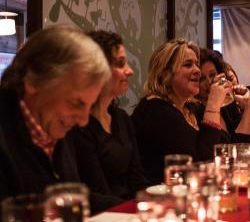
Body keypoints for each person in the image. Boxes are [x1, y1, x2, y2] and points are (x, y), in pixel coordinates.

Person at [0, 25, 120, 213]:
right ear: (33, 81)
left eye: (89, 106)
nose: (83, 121)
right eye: (76, 103)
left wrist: (136, 209)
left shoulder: (53, 123)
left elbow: (67, 198)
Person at [131, 39, 231, 184]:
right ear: (164, 74)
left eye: (196, 64)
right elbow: (201, 162)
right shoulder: (155, 110)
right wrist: (214, 103)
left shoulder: (191, 108)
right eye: (188, 64)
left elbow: (223, 146)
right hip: (161, 197)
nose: (197, 70)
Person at [68, 30, 150, 200]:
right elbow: (97, 193)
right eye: (120, 64)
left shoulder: (121, 118)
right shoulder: (80, 124)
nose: (130, 71)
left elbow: (138, 180)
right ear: (97, 69)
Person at [195, 48, 250, 142]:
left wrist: (249, 105)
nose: (209, 82)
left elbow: (245, 140)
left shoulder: (227, 104)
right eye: (202, 79)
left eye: (212, 75)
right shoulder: (195, 110)